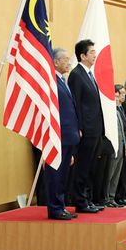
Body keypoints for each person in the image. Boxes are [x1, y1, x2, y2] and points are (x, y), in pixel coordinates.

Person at [68, 39, 104, 213]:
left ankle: (88, 199)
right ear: (82, 56)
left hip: (95, 129)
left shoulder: (89, 74)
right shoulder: (76, 75)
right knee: (82, 167)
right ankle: (80, 202)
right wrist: (79, 127)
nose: (95, 55)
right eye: (91, 52)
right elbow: (75, 104)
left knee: (90, 167)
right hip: (86, 130)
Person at [44, 47, 80, 220]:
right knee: (55, 175)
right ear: (56, 62)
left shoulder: (63, 80)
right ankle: (55, 209)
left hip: (68, 136)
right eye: (65, 59)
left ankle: (61, 206)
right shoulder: (51, 82)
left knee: (63, 175)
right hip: (57, 136)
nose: (69, 62)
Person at [105, 86, 126, 208]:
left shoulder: (118, 111)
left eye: (118, 96)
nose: (118, 99)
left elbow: (122, 131)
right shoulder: (108, 113)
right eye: (115, 96)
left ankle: (112, 196)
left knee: (116, 174)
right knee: (109, 173)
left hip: (121, 147)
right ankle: (106, 197)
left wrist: (124, 145)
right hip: (113, 148)